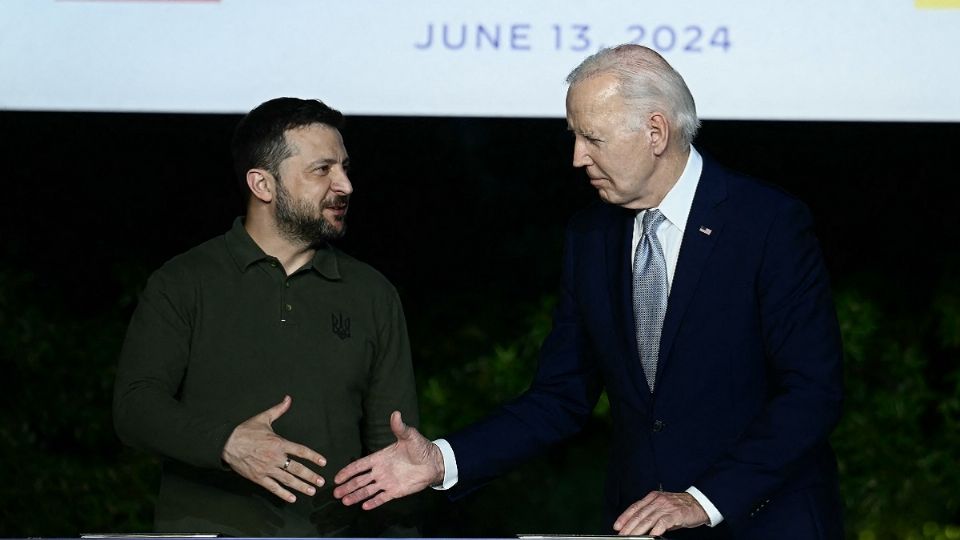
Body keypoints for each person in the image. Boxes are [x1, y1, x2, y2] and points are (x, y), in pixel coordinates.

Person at [332, 45, 844, 539]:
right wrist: (444, 458)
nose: (577, 157)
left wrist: (702, 500)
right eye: (574, 136)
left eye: (592, 138)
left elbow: (811, 392)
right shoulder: (590, 236)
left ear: (656, 132)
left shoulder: (768, 223)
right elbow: (561, 396)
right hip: (639, 527)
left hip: (761, 521)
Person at [113, 97, 419, 536]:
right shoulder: (185, 281)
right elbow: (134, 408)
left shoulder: (372, 294)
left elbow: (392, 451)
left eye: (345, 168)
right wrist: (227, 443)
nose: (346, 185)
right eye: (322, 170)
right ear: (263, 184)